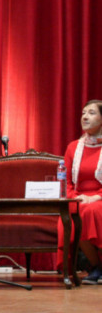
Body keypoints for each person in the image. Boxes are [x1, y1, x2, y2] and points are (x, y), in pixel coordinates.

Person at [59, 100, 102, 284]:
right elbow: (65, 182)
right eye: (83, 113)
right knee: (77, 212)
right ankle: (97, 266)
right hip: (78, 198)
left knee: (92, 210)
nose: (84, 116)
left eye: (91, 113)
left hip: (99, 197)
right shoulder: (73, 147)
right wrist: (76, 197)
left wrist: (95, 197)